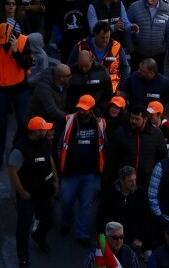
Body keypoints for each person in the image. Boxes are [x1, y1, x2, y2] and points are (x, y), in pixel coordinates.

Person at [55, 94, 107, 247]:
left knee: (87, 204)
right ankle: (66, 221)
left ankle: (82, 233)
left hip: (90, 174)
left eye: (85, 110)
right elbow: (57, 146)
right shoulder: (67, 121)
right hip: (70, 173)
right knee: (66, 200)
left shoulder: (100, 124)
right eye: (80, 109)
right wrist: (59, 169)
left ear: (92, 110)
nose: (81, 112)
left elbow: (105, 146)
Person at [8, 115, 58, 265]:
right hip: (29, 195)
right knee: (24, 226)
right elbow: (12, 171)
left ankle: (39, 236)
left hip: (46, 191)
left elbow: (49, 159)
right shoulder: (20, 149)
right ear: (36, 132)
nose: (47, 131)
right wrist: (21, 191)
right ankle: (23, 257)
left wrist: (56, 180)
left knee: (50, 219)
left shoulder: (44, 142)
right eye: (44, 130)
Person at [0, 22, 32, 171]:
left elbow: (27, 65)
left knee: (23, 123)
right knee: (1, 126)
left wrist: (16, 51)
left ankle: (21, 156)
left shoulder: (23, 41)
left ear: (11, 37)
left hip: (20, 90)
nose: (2, 45)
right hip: (1, 91)